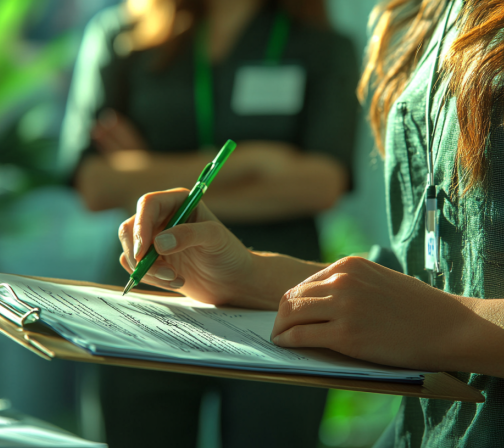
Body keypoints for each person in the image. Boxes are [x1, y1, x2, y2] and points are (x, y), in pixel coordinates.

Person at [116, 0, 504, 446]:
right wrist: (249, 276)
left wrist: (453, 326)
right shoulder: (426, 13)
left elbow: (440, 311)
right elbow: (435, 278)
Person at [59, 0, 358, 446]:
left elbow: (321, 184)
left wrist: (144, 168)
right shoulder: (121, 36)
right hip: (149, 289)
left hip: (278, 298)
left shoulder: (322, 46)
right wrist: (254, 162)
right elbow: (94, 184)